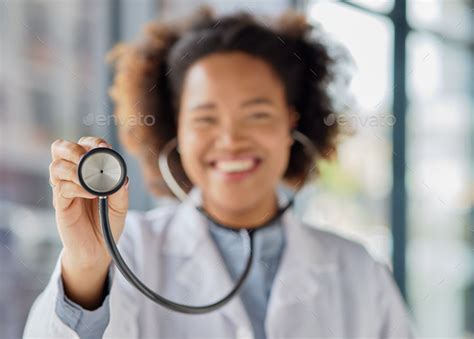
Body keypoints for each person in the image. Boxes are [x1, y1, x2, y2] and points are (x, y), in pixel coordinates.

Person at [23, 7, 414, 338]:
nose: (230, 140)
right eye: (205, 118)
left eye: (257, 115)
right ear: (175, 129)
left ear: (291, 124)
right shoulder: (131, 253)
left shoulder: (358, 271)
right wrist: (87, 268)